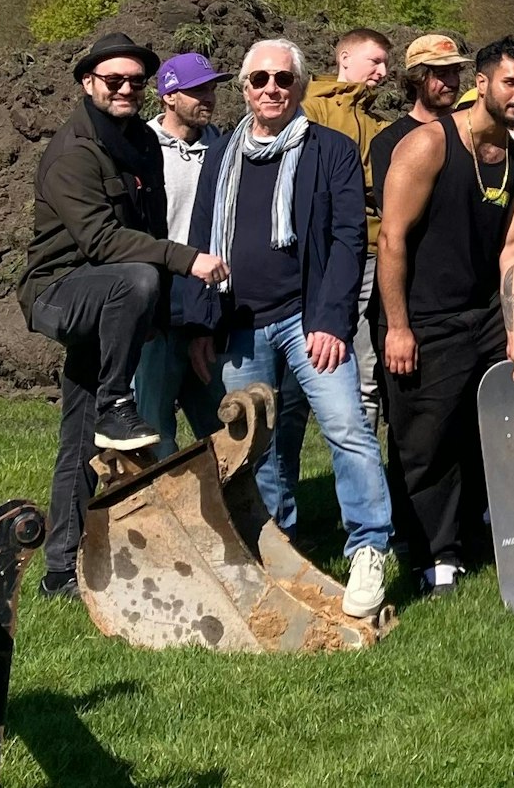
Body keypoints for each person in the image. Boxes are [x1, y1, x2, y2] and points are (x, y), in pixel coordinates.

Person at [177, 39, 393, 619]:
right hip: (240, 325)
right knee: (259, 448)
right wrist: (201, 322)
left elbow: (349, 239)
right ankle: (280, 552)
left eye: (282, 79)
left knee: (347, 425)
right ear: (244, 88)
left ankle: (369, 546)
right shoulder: (223, 154)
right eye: (258, 80)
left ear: (299, 86)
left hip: (308, 319)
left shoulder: (333, 150)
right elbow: (202, 235)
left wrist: (331, 320)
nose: (270, 89)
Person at [19, 33, 228, 599]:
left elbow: (151, 228)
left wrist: (155, 312)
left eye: (135, 80)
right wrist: (187, 263)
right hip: (58, 292)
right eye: (114, 80)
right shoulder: (75, 153)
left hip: (113, 303)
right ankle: (118, 402)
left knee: (78, 436)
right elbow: (104, 240)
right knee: (136, 276)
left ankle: (62, 569)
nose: (126, 88)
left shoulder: (139, 142)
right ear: (89, 84)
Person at [377, 37, 514, 597]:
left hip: (484, 312)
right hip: (423, 313)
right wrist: (398, 326)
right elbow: (392, 240)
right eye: (511, 82)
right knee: (427, 437)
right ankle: (438, 554)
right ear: (481, 84)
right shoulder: (428, 146)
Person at [135, 51, 232, 457]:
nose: (208, 98)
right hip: (158, 304)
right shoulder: (140, 149)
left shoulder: (226, 150)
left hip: (212, 303)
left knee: (223, 425)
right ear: (168, 97)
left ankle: (228, 510)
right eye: (197, 90)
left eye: (211, 88)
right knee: (154, 428)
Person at [302, 28, 391, 427]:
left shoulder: (376, 121)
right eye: (375, 61)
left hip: (375, 251)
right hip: (327, 254)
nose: (383, 71)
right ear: (344, 58)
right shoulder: (309, 108)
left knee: (368, 369)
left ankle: (364, 469)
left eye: (386, 63)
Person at [368, 34, 468, 206]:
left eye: (455, 72)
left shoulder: (470, 130)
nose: (452, 82)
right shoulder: (389, 142)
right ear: (417, 79)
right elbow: (391, 210)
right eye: (442, 74)